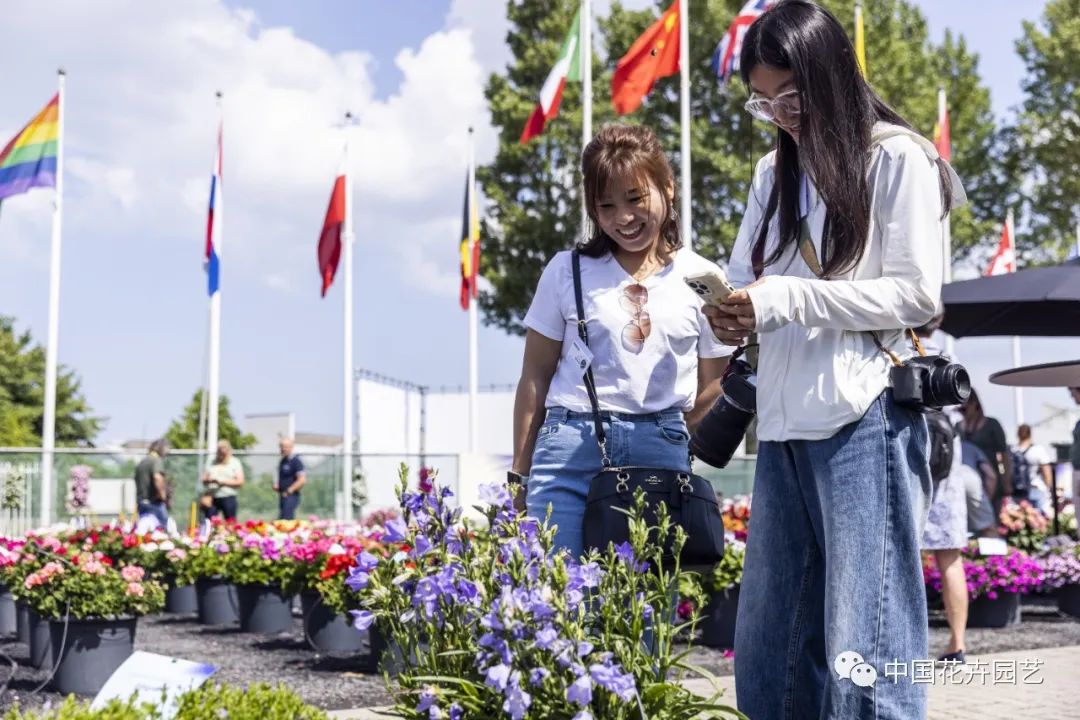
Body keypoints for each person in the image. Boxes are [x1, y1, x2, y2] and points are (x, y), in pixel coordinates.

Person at [703, 2, 963, 717]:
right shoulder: (771, 172)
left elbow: (916, 295)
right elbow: (750, 280)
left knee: (866, 653)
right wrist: (730, 311)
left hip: (865, 419)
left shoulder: (897, 157)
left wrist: (787, 298)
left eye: (791, 95)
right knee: (768, 654)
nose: (781, 113)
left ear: (831, 77)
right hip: (784, 428)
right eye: (765, 101)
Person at [510, 123, 731, 558]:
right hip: (568, 449)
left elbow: (717, 382)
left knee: (643, 615)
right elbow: (534, 374)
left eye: (635, 198)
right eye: (606, 205)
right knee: (562, 603)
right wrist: (520, 472)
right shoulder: (565, 270)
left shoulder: (703, 277)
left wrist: (669, 433)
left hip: (659, 454)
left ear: (667, 188)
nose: (623, 218)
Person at [912, 320, 971, 665]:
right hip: (948, 466)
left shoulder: (899, 354)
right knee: (950, 558)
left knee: (903, 559)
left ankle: (908, 644)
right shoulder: (949, 359)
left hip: (912, 455)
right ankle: (957, 643)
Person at [960, 388, 1013, 512]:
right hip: (969, 485)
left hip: (992, 484)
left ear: (974, 404)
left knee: (991, 522)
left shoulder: (992, 425)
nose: (962, 413)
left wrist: (1006, 482)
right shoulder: (958, 427)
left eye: (964, 409)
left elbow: (1004, 455)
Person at [1013, 424, 1054, 516]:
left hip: (1017, 491)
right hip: (1036, 488)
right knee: (1040, 520)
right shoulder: (1038, 450)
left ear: (1018, 435)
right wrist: (1048, 489)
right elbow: (1046, 472)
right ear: (1030, 434)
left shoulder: (1013, 450)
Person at [201, 439, 245, 521]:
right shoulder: (211, 461)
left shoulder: (235, 462)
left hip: (228, 497)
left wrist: (222, 482)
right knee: (209, 522)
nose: (222, 455)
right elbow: (204, 479)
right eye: (220, 452)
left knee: (230, 522)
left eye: (224, 452)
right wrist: (210, 480)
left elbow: (240, 481)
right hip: (212, 497)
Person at [134, 439, 170, 528]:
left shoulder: (143, 461)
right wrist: (162, 495)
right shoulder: (156, 460)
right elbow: (157, 477)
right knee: (161, 531)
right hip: (153, 503)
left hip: (142, 501)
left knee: (145, 530)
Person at [275, 437, 306, 520]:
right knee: (281, 520)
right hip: (282, 495)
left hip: (291, 496)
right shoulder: (283, 461)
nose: (283, 449)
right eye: (281, 446)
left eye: (285, 447)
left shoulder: (296, 461)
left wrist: (289, 490)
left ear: (291, 447)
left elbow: (302, 480)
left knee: (287, 520)